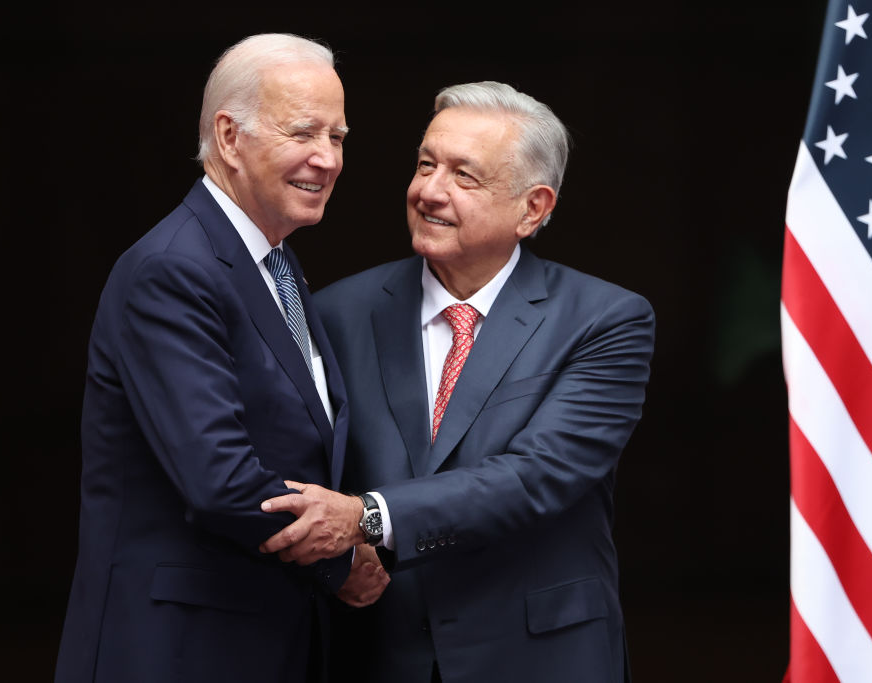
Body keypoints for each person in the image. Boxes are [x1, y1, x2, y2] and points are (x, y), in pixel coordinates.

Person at [259, 81, 655, 682]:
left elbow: (538, 475)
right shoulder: (336, 313)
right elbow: (302, 470)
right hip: (378, 650)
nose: (428, 192)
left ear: (534, 208)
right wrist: (333, 566)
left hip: (539, 655)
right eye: (425, 165)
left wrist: (368, 516)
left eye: (464, 176)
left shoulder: (604, 320)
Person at [55, 33, 386, 683]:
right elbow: (222, 480)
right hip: (177, 649)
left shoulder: (277, 266)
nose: (327, 159)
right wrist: (341, 559)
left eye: (339, 137)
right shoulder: (173, 269)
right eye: (303, 133)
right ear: (229, 137)